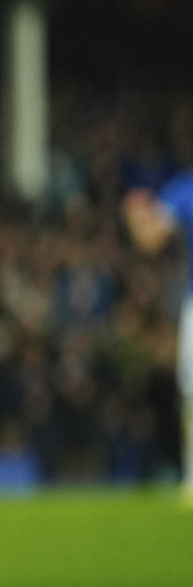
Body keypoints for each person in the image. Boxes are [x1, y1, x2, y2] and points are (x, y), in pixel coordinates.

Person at [121, 175, 193, 502]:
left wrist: (137, 216)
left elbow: (149, 239)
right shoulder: (184, 190)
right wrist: (139, 216)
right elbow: (152, 238)